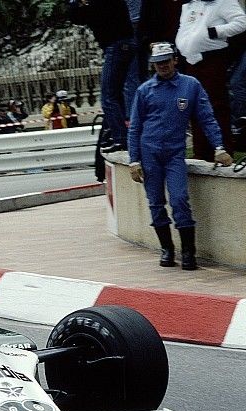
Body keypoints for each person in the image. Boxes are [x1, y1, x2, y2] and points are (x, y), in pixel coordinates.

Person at [128, 42, 234, 271]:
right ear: (153, 65)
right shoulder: (144, 90)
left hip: (174, 153)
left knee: (179, 200)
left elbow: (206, 117)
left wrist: (219, 147)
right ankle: (167, 248)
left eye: (166, 60)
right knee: (155, 203)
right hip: (149, 153)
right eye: (158, 63)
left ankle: (188, 253)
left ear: (175, 60)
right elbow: (135, 127)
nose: (163, 66)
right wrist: (134, 160)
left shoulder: (190, 85)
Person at [175, 0, 246, 161]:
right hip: (190, 61)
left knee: (216, 105)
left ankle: (223, 149)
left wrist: (214, 32)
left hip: (212, 59)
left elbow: (241, 22)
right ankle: (201, 152)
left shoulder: (224, 2)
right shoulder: (190, 5)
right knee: (194, 106)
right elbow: (183, 27)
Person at [69, 0, 137, 152]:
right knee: (117, 94)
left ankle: (121, 138)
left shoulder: (99, 5)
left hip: (116, 45)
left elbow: (77, 17)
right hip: (126, 45)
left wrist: (75, 3)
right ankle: (123, 136)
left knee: (107, 97)